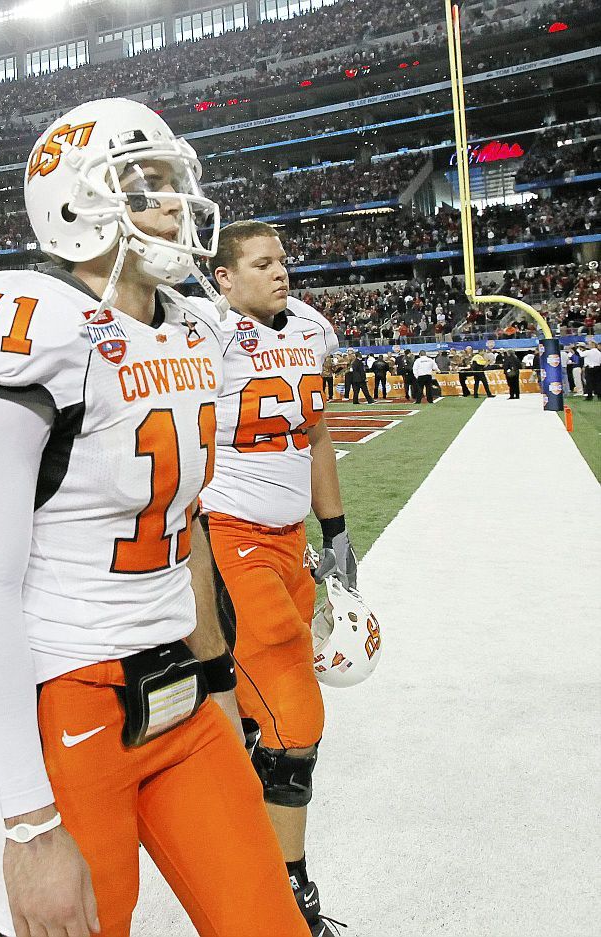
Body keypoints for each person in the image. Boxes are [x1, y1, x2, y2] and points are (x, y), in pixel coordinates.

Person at [0, 98, 307, 937]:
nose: (177, 204)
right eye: (148, 185)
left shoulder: (192, 331)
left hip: (177, 686)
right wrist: (29, 826)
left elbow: (189, 529)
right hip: (71, 698)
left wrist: (213, 676)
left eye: (176, 183)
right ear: (74, 209)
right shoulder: (36, 330)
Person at [197, 220, 351, 935]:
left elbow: (315, 433)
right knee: (295, 716)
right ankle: (288, 891)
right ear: (225, 278)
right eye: (263, 264)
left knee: (273, 714)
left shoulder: (314, 329)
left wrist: (337, 532)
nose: (281, 271)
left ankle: (256, 854)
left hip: (290, 543)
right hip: (230, 539)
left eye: (283, 260)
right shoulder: (203, 335)